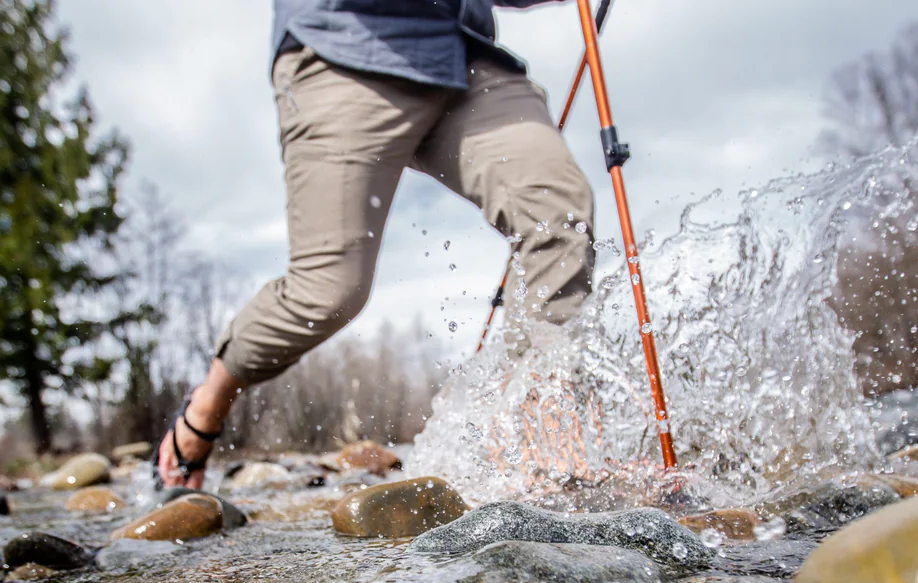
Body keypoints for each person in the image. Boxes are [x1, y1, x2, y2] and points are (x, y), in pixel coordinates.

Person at [153, 0, 598, 490]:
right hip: (343, 45)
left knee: (559, 214)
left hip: (463, 54)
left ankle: (538, 442)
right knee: (329, 292)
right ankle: (208, 403)